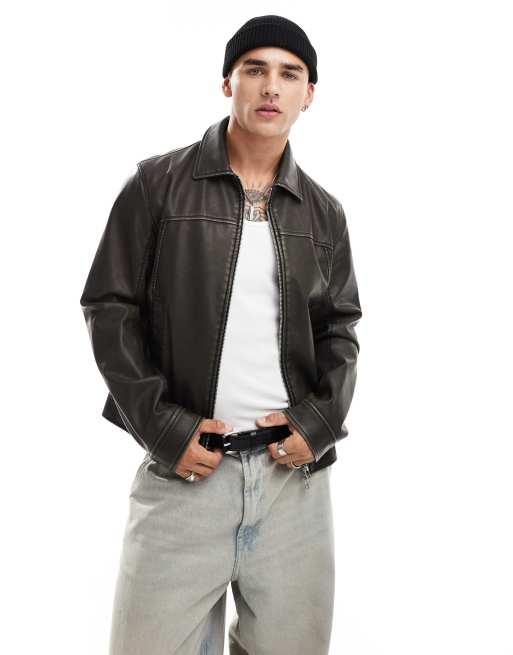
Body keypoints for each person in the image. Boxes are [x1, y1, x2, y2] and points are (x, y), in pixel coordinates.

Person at [80, 14, 362, 655]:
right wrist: (164, 428)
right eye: (255, 69)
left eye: (290, 74)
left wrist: (318, 424)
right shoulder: (157, 186)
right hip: (185, 475)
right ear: (228, 82)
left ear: (309, 94)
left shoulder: (325, 213)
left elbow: (340, 328)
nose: (271, 86)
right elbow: (109, 307)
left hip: (294, 485)